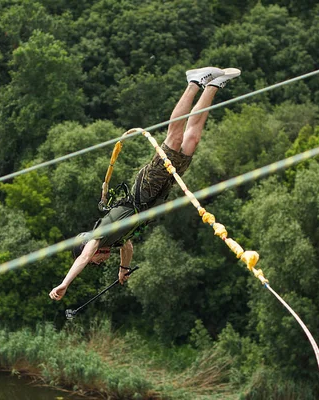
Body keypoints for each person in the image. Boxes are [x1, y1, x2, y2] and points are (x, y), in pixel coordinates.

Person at [49, 66, 241, 302]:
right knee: (192, 139)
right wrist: (123, 269)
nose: (98, 262)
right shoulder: (117, 240)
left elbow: (83, 258)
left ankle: (194, 82)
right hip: (160, 193)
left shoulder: (99, 236)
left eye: (95, 261)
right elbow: (127, 248)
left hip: (145, 189)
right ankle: (213, 86)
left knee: (175, 137)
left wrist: (65, 283)